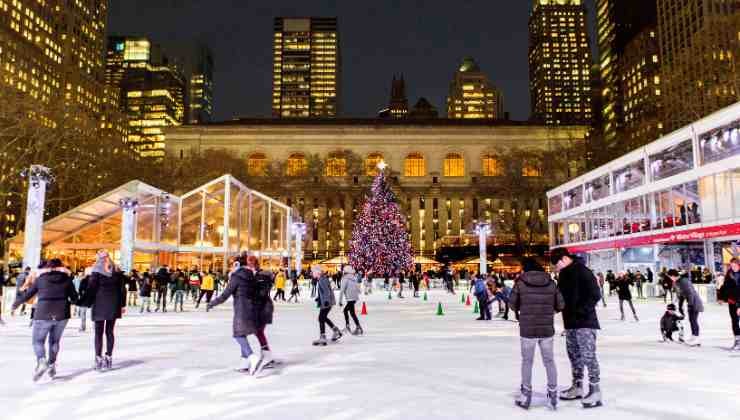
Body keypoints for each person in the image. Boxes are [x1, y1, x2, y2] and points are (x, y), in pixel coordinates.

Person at [510, 258, 565, 410]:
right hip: (546, 330)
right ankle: (553, 395)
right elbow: (561, 304)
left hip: (527, 330)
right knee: (549, 361)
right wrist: (549, 312)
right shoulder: (551, 283)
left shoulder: (520, 282)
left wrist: (523, 310)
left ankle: (526, 396)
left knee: (527, 361)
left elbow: (512, 304)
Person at [550, 248, 603, 409]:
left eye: (556, 263)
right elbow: (561, 298)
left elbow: (595, 294)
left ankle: (595, 390)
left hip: (585, 322)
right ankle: (578, 386)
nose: (555, 267)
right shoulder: (564, 274)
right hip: (570, 323)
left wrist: (581, 311)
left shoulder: (583, 271)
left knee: (588, 356)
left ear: (565, 258)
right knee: (574, 355)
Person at [12, 259, 78, 381]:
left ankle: (42, 361)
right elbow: (74, 298)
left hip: (43, 312)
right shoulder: (67, 279)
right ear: (61, 267)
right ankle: (52, 365)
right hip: (62, 314)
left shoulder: (41, 279)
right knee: (54, 341)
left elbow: (29, 294)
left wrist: (16, 303)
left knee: (38, 341)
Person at [207, 255, 274, 375]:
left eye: (233, 264)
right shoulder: (252, 276)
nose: (232, 267)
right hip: (253, 309)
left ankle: (251, 357)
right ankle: (244, 362)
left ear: (237, 265)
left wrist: (212, 303)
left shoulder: (236, 277)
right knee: (244, 333)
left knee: (238, 335)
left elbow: (225, 295)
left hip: (242, 310)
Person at [83, 251, 127, 371]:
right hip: (113, 305)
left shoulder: (96, 271)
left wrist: (86, 302)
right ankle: (108, 357)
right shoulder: (117, 271)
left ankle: (98, 359)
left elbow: (91, 288)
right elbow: (123, 290)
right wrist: (122, 305)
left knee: (98, 333)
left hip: (99, 305)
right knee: (109, 332)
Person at [668, 269, 703, 347]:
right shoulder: (678, 282)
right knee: (691, 320)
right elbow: (681, 295)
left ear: (673, 276)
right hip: (691, 302)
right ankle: (694, 337)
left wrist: (690, 304)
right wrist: (680, 305)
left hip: (695, 302)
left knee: (693, 320)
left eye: (670, 277)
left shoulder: (683, 281)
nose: (670, 278)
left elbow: (690, 293)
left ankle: (696, 338)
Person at [312, 264, 342, 345]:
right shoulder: (322, 278)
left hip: (327, 302)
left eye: (313, 272)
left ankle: (323, 337)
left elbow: (326, 291)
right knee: (323, 318)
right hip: (327, 301)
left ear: (317, 272)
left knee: (321, 318)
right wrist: (320, 298)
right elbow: (325, 290)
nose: (312, 273)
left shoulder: (322, 279)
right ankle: (336, 331)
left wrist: (325, 300)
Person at [717, 257, 740, 351]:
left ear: (738, 264)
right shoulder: (729, 273)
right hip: (731, 302)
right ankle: (738, 340)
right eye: (731, 265)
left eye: (734, 265)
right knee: (734, 321)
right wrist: (721, 297)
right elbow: (725, 286)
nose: (732, 267)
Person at [338, 265, 363, 335]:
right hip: (354, 298)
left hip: (350, 298)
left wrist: (340, 301)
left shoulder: (345, 279)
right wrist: (356, 292)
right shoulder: (354, 278)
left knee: (349, 312)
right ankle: (351, 326)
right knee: (349, 312)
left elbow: (342, 290)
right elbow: (358, 289)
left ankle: (355, 327)